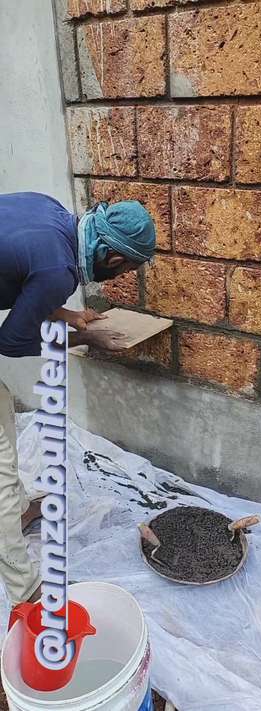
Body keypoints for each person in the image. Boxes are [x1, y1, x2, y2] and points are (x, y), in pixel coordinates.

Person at [0, 191, 156, 609]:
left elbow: (20, 277)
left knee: (4, 428)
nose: (121, 277)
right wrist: (86, 337)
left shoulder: (51, 212)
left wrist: (68, 316)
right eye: (128, 270)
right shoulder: (59, 271)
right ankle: (25, 591)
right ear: (115, 259)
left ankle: (17, 512)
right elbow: (11, 341)